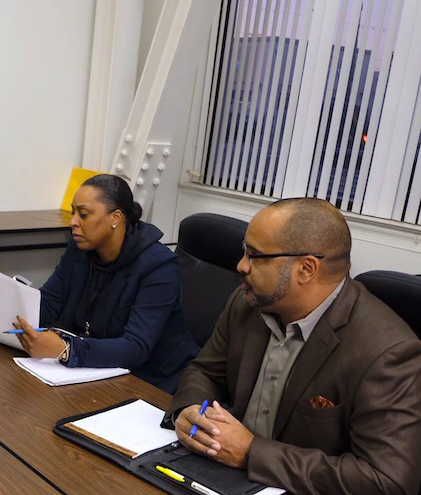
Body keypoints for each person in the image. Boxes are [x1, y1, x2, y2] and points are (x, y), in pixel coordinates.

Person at [169, 198, 421, 495]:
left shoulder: (387, 352)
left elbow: (386, 481)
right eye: (243, 252)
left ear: (306, 269)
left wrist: (252, 453)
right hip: (215, 472)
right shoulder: (247, 302)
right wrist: (190, 410)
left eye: (254, 256)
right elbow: (205, 371)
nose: (241, 266)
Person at [13, 174, 198, 393]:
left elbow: (136, 347)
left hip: (151, 381)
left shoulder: (159, 266)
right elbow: (49, 303)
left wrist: (67, 350)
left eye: (83, 214)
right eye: (73, 213)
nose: (73, 222)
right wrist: (11, 314)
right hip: (95, 372)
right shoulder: (79, 249)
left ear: (116, 218)